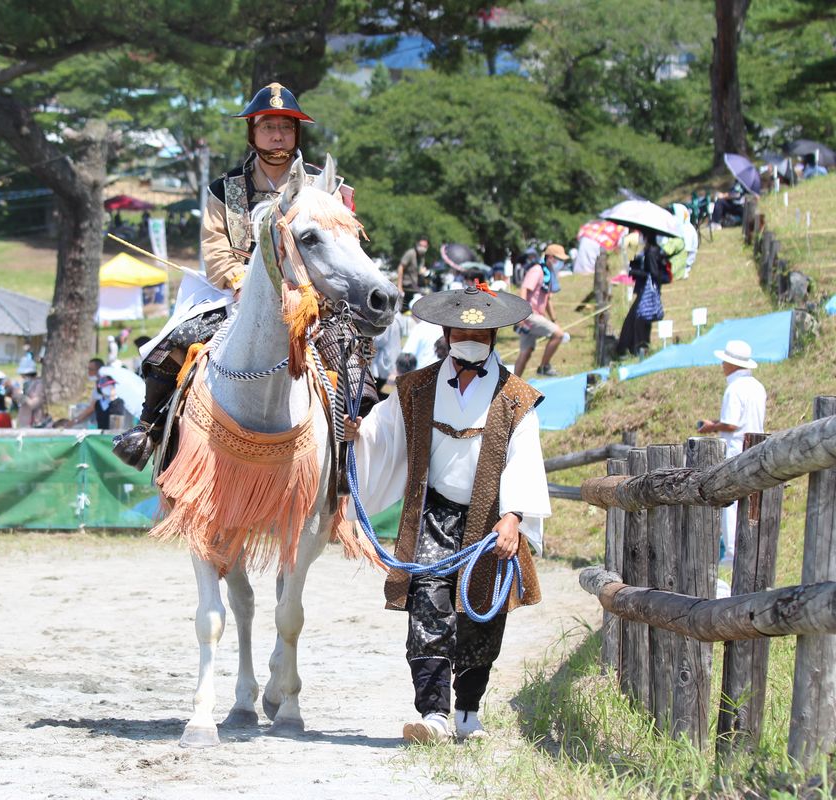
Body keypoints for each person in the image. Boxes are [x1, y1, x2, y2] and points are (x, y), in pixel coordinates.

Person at [112, 81, 360, 469]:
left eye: (286, 127)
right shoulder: (223, 190)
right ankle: (149, 430)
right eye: (268, 127)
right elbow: (214, 247)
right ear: (252, 132)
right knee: (173, 345)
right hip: (239, 293)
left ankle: (353, 444)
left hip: (310, 294)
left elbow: (341, 239)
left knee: (349, 348)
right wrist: (241, 281)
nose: (278, 135)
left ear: (297, 133)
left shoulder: (323, 184)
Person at [346, 283, 550, 743]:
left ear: (497, 336)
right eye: (458, 330)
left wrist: (514, 516)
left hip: (489, 521)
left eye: (478, 332)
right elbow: (382, 432)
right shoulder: (416, 388)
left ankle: (468, 711)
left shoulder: (517, 397)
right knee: (428, 606)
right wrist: (357, 432)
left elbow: (525, 458)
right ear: (444, 332)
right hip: (433, 514)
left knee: (481, 616)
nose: (468, 337)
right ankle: (433, 713)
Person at [698, 340, 766, 565]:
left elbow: (732, 424)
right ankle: (748, 549)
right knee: (751, 502)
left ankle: (731, 553)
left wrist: (712, 426)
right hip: (756, 448)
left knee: (730, 503)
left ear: (731, 363)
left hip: (736, 450)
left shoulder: (734, 388)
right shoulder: (757, 386)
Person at [616, 229, 672, 358]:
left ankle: (638, 349)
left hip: (647, 292)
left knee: (639, 320)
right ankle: (632, 349)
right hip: (643, 289)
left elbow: (653, 274)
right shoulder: (651, 250)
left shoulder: (652, 251)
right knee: (635, 320)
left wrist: (634, 272)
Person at [513, 244, 566, 377]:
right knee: (558, 334)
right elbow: (524, 289)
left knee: (526, 352)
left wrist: (554, 319)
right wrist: (521, 314)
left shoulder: (548, 274)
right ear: (549, 257)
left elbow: (547, 300)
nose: (560, 262)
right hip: (529, 314)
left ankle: (511, 385)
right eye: (558, 259)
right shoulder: (537, 270)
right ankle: (544, 367)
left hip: (536, 315)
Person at [397, 238, 429, 307]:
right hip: (406, 286)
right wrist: (399, 286)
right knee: (404, 309)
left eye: (425, 246)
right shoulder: (411, 253)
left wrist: (422, 272)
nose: (422, 248)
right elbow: (401, 267)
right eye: (421, 245)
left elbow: (418, 271)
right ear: (417, 244)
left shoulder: (422, 257)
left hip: (414, 286)